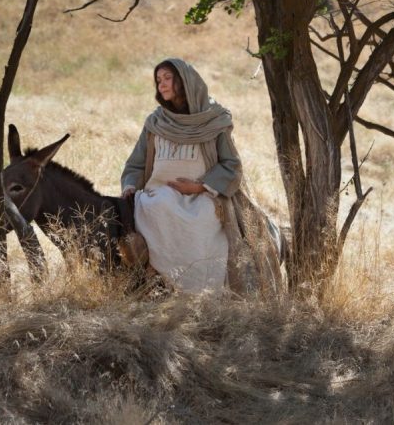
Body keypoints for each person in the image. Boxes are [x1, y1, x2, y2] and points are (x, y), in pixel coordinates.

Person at [121, 58, 283, 296]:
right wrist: (130, 186)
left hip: (205, 195)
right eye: (158, 81)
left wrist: (198, 188)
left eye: (167, 78)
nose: (161, 85)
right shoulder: (155, 122)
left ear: (185, 81)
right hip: (159, 194)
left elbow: (231, 165)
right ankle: (160, 283)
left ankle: (203, 291)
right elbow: (135, 163)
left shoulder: (213, 120)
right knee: (154, 206)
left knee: (205, 218)